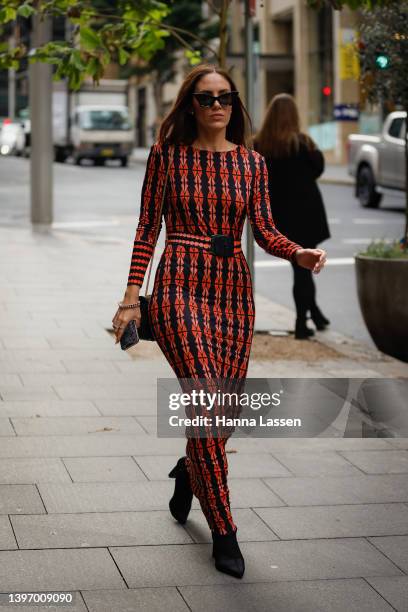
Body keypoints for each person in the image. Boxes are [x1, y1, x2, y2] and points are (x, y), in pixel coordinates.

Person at [112, 65, 326, 579]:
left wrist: (297, 253)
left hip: (232, 292)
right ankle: (225, 532)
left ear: (235, 104)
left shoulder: (252, 163)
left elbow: (267, 230)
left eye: (224, 97)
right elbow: (148, 227)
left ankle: (190, 471)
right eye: (205, 98)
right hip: (179, 286)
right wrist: (130, 300)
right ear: (190, 105)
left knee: (223, 417)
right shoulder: (167, 157)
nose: (216, 105)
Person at [253, 93, 331, 339]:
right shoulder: (303, 143)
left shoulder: (258, 145)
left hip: (278, 216)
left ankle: (315, 314)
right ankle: (300, 324)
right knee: (303, 271)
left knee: (302, 270)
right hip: (307, 213)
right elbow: (319, 168)